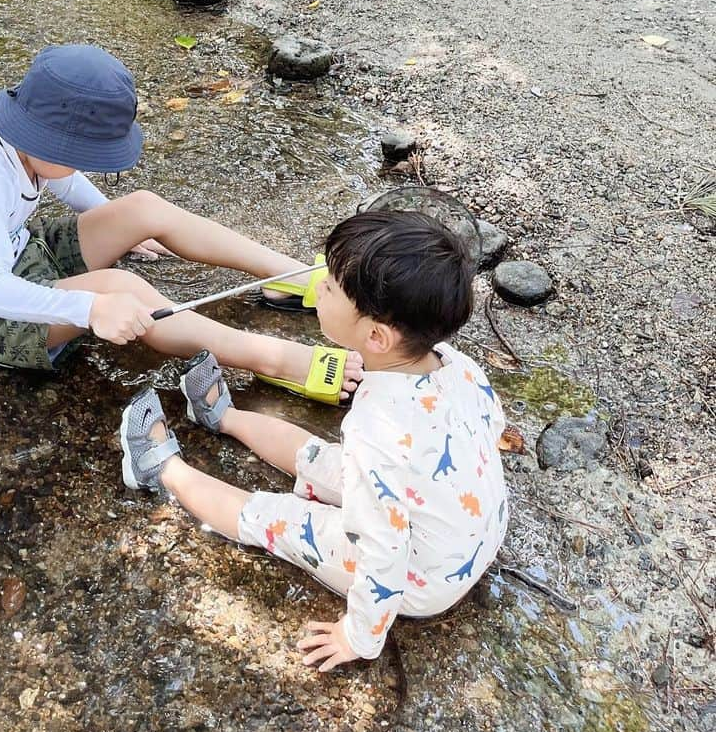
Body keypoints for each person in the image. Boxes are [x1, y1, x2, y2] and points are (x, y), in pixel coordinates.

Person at [119, 208, 509, 671]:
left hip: (422, 576)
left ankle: (162, 468)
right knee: (321, 459)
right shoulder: (455, 363)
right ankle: (226, 417)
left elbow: (383, 550)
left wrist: (358, 636)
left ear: (377, 337)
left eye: (331, 287)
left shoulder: (377, 430)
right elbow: (491, 430)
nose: (318, 284)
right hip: (462, 533)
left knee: (279, 517)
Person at [0, 43, 355, 404]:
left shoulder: (32, 140)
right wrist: (92, 308)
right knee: (121, 289)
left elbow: (67, 183)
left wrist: (121, 225)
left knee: (143, 208)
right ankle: (275, 359)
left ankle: (291, 274)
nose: (81, 166)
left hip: (25, 249)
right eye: (78, 154)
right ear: (43, 138)